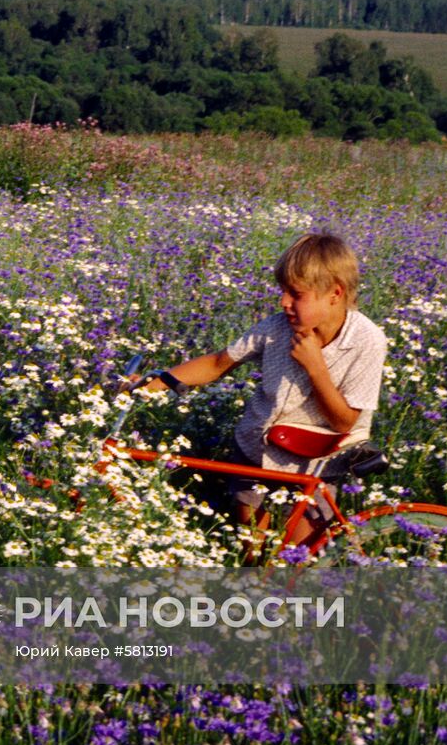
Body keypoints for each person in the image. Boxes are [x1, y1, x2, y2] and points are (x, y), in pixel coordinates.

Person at [135, 232, 387, 547]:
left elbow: (344, 421)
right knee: (253, 551)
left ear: (335, 293)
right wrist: (158, 383)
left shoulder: (367, 340)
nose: (284, 302)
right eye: (283, 291)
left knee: (299, 558)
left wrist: (315, 366)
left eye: (296, 294)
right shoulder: (276, 327)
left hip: (315, 462)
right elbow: (217, 363)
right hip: (255, 452)